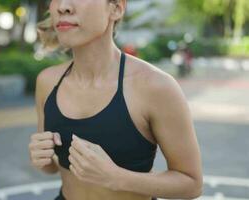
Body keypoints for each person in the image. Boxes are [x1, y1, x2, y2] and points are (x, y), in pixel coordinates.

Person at [28, 0, 203, 199]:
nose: (62, 6)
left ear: (116, 8)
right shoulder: (47, 82)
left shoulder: (155, 86)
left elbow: (192, 184)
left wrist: (117, 178)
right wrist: (44, 160)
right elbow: (54, 167)